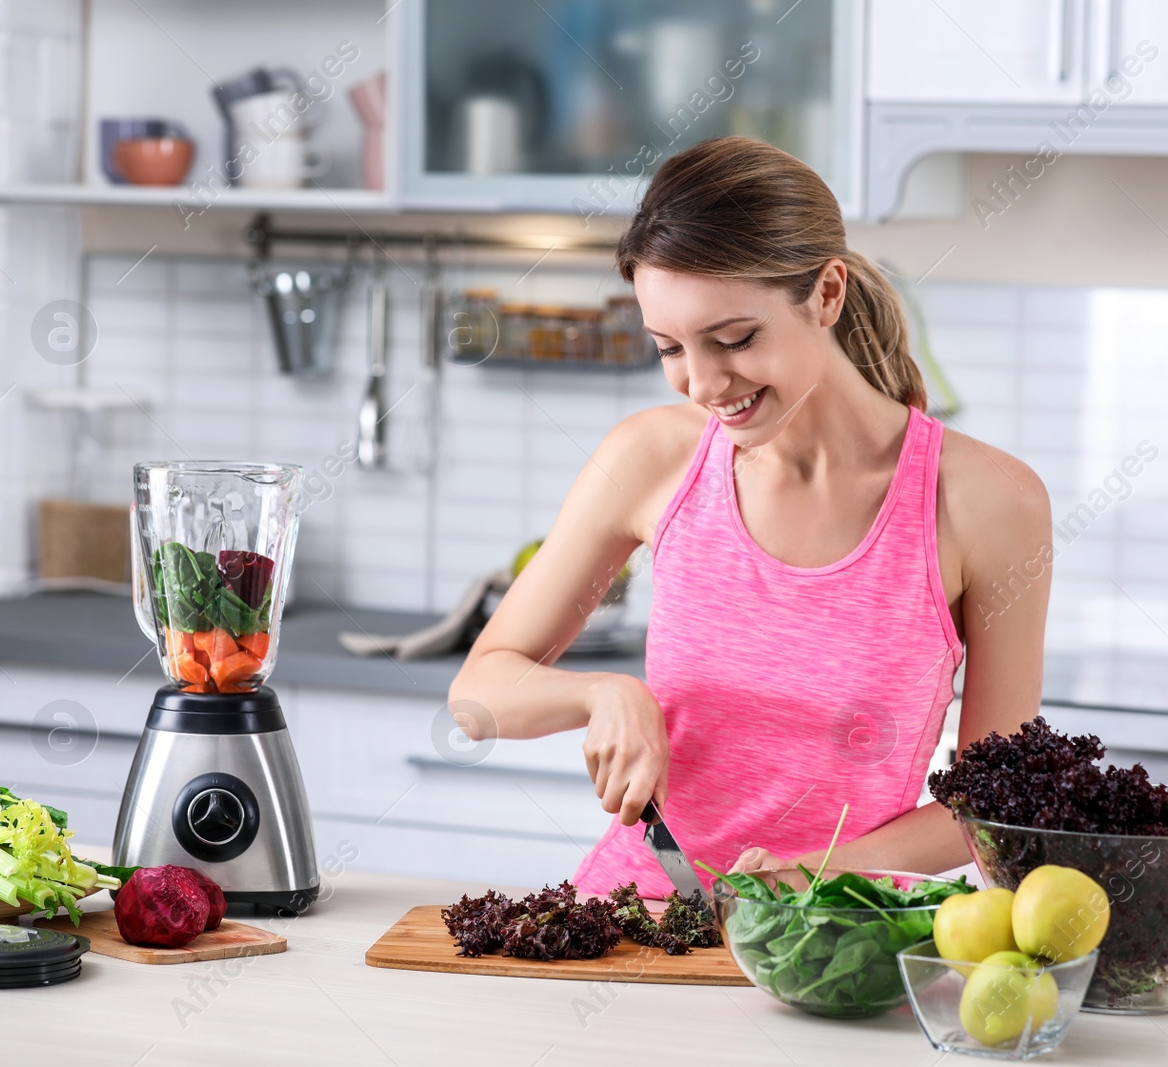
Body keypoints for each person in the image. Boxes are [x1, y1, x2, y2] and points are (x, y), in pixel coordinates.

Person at [449, 136, 1050, 898]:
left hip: (837, 947)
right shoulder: (650, 459)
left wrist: (810, 876)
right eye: (669, 348)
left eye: (734, 339)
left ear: (826, 293)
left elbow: (990, 806)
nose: (702, 383)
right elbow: (477, 695)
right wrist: (605, 694)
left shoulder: (987, 502)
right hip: (640, 926)